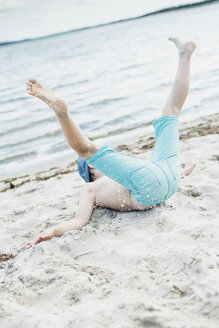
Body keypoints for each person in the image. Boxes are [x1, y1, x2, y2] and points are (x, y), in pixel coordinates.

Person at [26, 37, 197, 248]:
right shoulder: (97, 183)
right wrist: (184, 172)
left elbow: (79, 222)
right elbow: (87, 154)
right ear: (91, 166)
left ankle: (60, 112)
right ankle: (185, 55)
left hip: (160, 184)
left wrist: (53, 231)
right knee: (172, 111)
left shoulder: (94, 190)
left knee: (88, 148)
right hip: (167, 174)